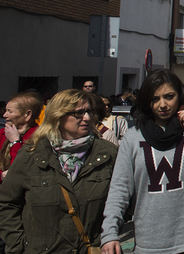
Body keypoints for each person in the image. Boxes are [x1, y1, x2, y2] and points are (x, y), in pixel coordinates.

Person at [101, 69, 184, 254]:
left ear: (179, 96)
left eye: (169, 97)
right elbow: (119, 189)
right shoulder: (132, 137)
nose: (162, 105)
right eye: (155, 99)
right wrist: (110, 233)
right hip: (151, 242)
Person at [0, 89, 117, 253]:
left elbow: (121, 202)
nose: (87, 118)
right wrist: (18, 245)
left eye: (89, 111)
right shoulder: (32, 154)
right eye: (78, 113)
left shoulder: (107, 154)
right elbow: (6, 202)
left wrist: (108, 237)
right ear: (58, 116)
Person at [0, 92, 42, 181]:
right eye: (5, 110)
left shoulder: (39, 137)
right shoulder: (2, 133)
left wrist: (15, 142)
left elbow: (23, 168)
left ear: (27, 114)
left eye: (9, 111)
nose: (4, 115)